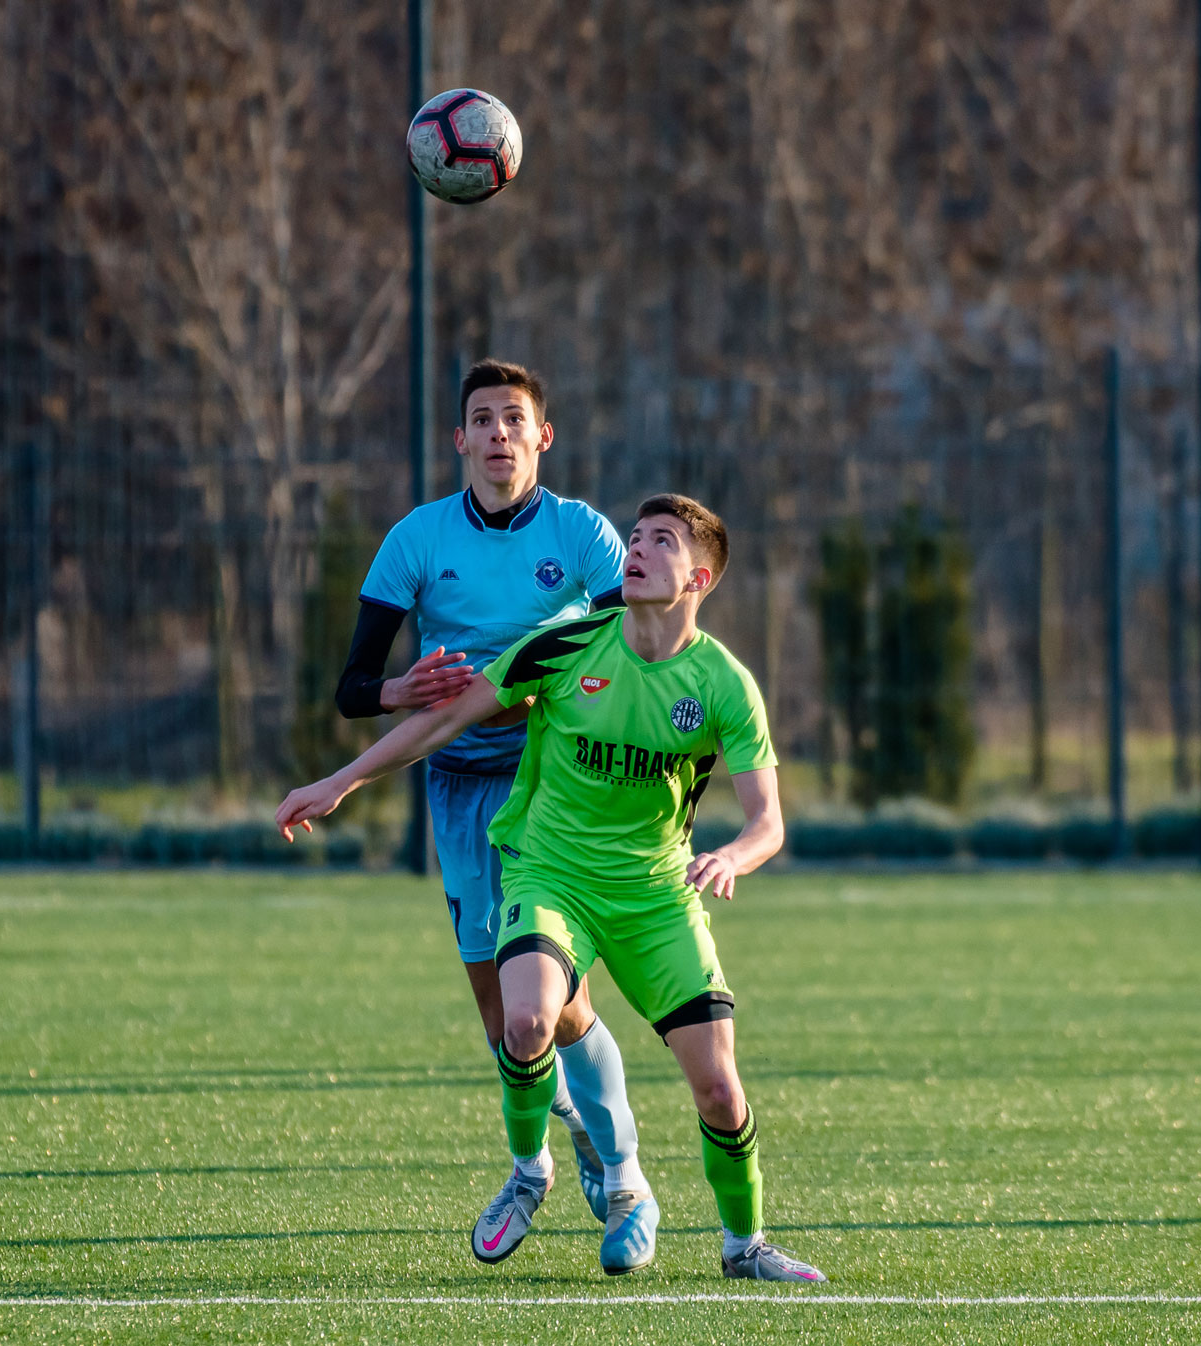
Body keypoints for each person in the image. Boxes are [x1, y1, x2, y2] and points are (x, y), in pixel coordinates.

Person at [281, 494, 826, 1282]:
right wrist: (341, 781)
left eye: (662, 542)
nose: (637, 550)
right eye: (635, 537)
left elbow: (767, 821)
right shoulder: (563, 646)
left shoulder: (723, 684)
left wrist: (734, 857)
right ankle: (529, 1171)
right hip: (550, 874)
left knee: (718, 1090)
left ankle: (745, 1246)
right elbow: (446, 720)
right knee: (527, 1019)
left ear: (699, 578)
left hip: (655, 895)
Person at [333, 358, 655, 1272]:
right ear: (460, 440)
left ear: (542, 437)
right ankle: (565, 1141)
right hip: (458, 785)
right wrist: (400, 689)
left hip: (554, 787)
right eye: (483, 419)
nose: (499, 433)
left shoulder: (582, 536)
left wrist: (542, 692)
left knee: (557, 1000)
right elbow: (353, 687)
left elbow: (627, 652)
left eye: (515, 418)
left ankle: (619, 1178)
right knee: (501, 1010)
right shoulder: (417, 539)